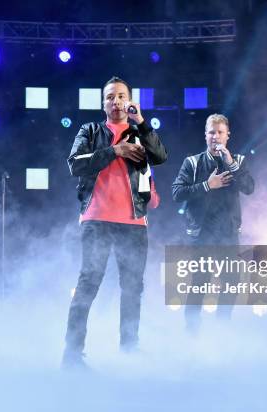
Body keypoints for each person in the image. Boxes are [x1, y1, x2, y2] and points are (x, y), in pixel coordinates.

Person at [63, 76, 167, 367]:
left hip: (133, 222)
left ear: (130, 101)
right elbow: (75, 164)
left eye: (122, 96)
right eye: (110, 97)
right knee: (88, 284)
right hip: (96, 219)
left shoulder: (140, 133)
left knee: (133, 288)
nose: (116, 101)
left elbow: (160, 156)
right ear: (103, 103)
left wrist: (143, 123)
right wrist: (115, 151)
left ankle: (129, 350)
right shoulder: (91, 130)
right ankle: (72, 356)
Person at [172, 114, 254, 333]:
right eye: (211, 132)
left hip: (228, 233)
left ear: (228, 135)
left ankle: (221, 331)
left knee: (231, 282)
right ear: (205, 135)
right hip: (201, 235)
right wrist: (207, 185)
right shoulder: (192, 162)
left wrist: (231, 164)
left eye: (219, 132)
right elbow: (177, 193)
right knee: (199, 282)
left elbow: (249, 188)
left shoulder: (239, 161)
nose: (215, 136)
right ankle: (191, 332)